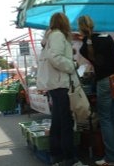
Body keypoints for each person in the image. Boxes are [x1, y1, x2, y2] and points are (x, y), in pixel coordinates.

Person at [37, 12, 88, 166]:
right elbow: (56, 58)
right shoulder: (58, 35)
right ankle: (70, 158)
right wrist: (73, 65)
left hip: (55, 84)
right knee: (65, 122)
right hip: (61, 84)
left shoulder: (50, 37)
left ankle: (57, 155)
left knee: (58, 121)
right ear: (63, 22)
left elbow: (54, 56)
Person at [78, 15, 114, 166]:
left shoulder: (84, 47)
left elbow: (94, 56)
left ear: (81, 28)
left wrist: (84, 39)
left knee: (105, 120)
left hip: (103, 82)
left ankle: (112, 159)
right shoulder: (106, 38)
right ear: (94, 24)